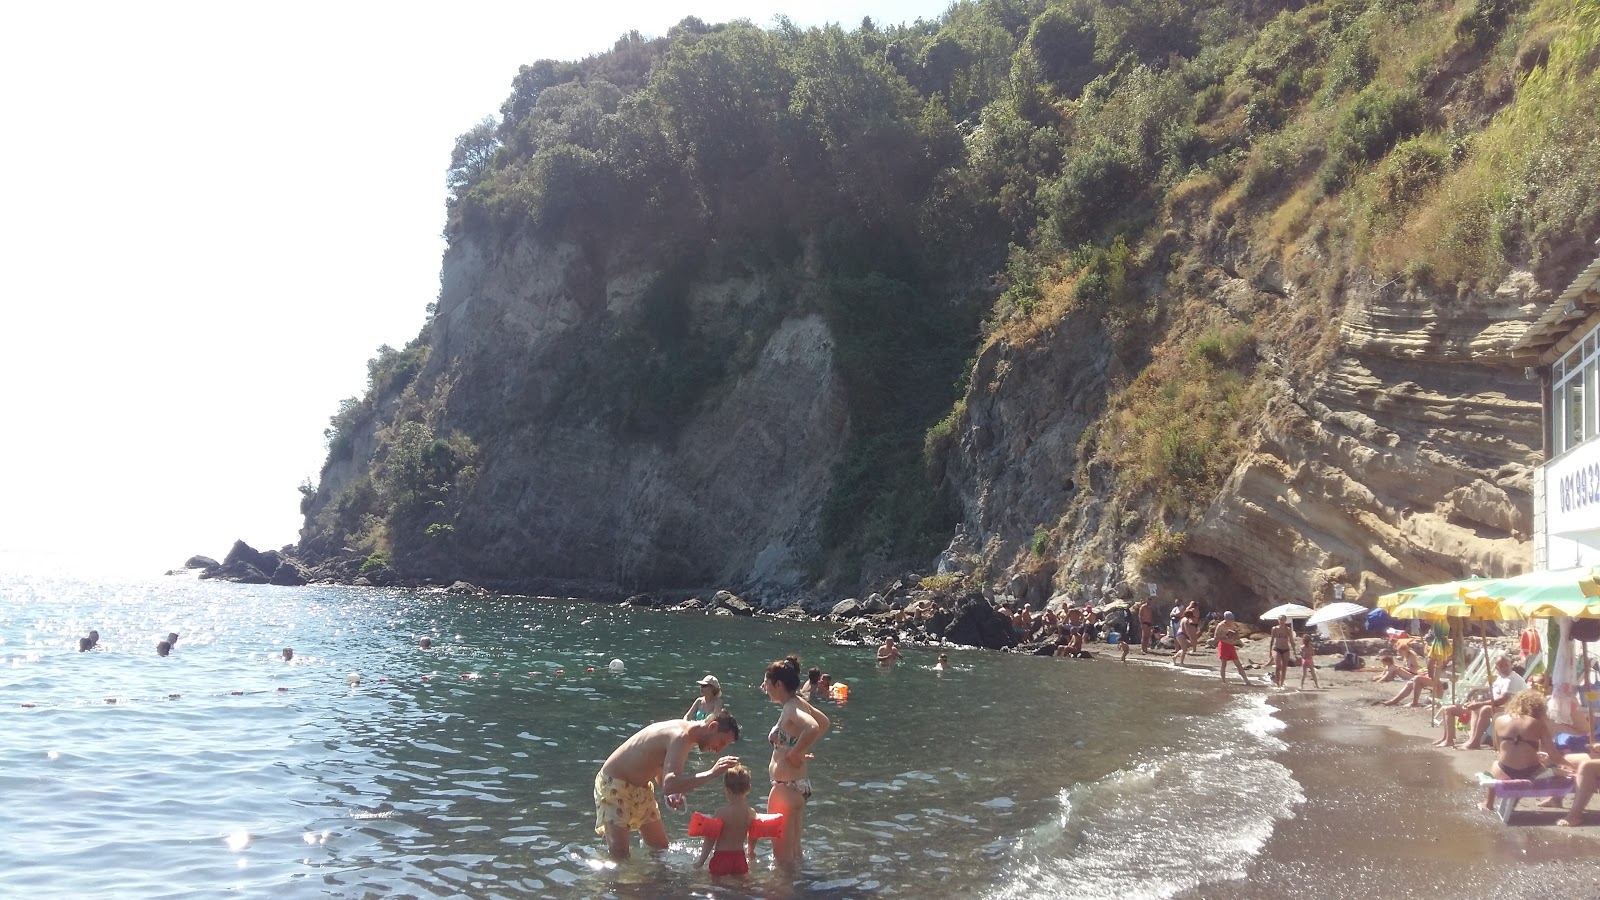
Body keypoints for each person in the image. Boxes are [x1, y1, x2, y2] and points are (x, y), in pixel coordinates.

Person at [594, 712, 741, 859]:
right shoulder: (680, 736)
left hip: (641, 788)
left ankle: (653, 881)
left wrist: (673, 792)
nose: (718, 750)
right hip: (614, 785)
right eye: (721, 742)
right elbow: (670, 784)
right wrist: (711, 773)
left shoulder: (688, 735)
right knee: (619, 855)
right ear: (713, 727)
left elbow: (661, 767)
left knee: (660, 849)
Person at [762, 655, 831, 865]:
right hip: (797, 787)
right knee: (794, 857)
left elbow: (813, 727)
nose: (763, 686)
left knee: (782, 862)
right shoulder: (798, 703)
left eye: (766, 682)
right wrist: (799, 749)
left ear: (779, 684)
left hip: (785, 789)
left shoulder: (791, 707)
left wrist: (795, 752)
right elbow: (824, 722)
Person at [1477, 690, 1558, 812]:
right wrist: (1570, 766)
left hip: (1504, 772)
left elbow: (1500, 749)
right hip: (1531, 772)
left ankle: (1488, 803)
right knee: (1548, 769)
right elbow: (1555, 756)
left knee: (1496, 764)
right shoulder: (1539, 723)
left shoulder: (1499, 719)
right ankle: (1554, 799)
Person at [1432, 655, 1526, 749]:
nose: (1504, 668)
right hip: (1494, 705)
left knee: (1484, 709)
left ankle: (1475, 742)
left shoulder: (1512, 679)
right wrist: (1477, 691)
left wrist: (1479, 704)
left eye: (1506, 665)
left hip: (1510, 708)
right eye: (1501, 666)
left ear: (1510, 665)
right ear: (1497, 668)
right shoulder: (1501, 677)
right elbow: (1494, 691)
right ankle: (1448, 739)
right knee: (1447, 709)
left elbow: (1502, 700)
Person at [695, 763, 760, 877]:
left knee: (717, 888)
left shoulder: (720, 813)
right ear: (749, 788)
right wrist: (750, 850)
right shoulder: (751, 813)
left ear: (727, 790)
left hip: (722, 858)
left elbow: (710, 839)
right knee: (740, 887)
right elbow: (753, 835)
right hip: (740, 858)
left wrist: (701, 861)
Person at [1215, 612, 1250, 685]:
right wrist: (1225, 637)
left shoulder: (1232, 625)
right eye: (1229, 620)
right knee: (1224, 664)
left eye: (1232, 620)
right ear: (1225, 619)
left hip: (1231, 645)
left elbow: (1236, 636)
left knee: (1238, 664)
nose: (1231, 621)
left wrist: (1235, 635)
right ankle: (1224, 681)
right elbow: (1215, 637)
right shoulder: (1221, 625)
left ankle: (1246, 681)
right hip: (1223, 645)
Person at [1269, 616, 1294, 687]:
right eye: (1280, 619)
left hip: (1286, 649)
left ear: (1285, 620)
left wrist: (1294, 651)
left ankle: (1282, 683)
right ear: (1278, 620)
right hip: (1277, 648)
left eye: (1283, 619)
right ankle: (1277, 684)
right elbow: (1272, 640)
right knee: (1278, 667)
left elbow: (1291, 641)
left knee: (1284, 668)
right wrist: (1270, 651)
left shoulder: (1288, 629)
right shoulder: (1274, 629)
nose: (1281, 621)